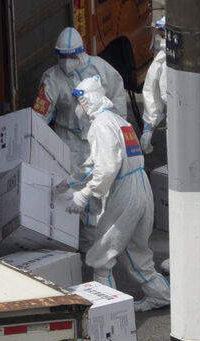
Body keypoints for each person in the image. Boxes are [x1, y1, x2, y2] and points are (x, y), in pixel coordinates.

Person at [65, 75, 170, 311]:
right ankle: (161, 295)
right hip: (140, 187)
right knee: (135, 250)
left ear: (89, 100)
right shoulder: (119, 122)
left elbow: (107, 168)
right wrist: (70, 181)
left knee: (102, 253)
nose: (78, 108)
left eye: (80, 102)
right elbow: (96, 162)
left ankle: (107, 308)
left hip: (125, 193)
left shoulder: (100, 125)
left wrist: (85, 194)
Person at [33, 27, 126, 172]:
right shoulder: (52, 79)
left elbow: (117, 95)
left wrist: (118, 130)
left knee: (102, 177)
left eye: (71, 56)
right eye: (62, 56)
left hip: (98, 136)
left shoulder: (100, 68)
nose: (66, 61)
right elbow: (39, 117)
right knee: (70, 181)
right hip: (67, 140)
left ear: (81, 53)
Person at [139, 17, 167, 155]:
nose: (161, 37)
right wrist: (149, 126)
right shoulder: (162, 58)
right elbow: (151, 91)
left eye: (163, 33)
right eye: (160, 34)